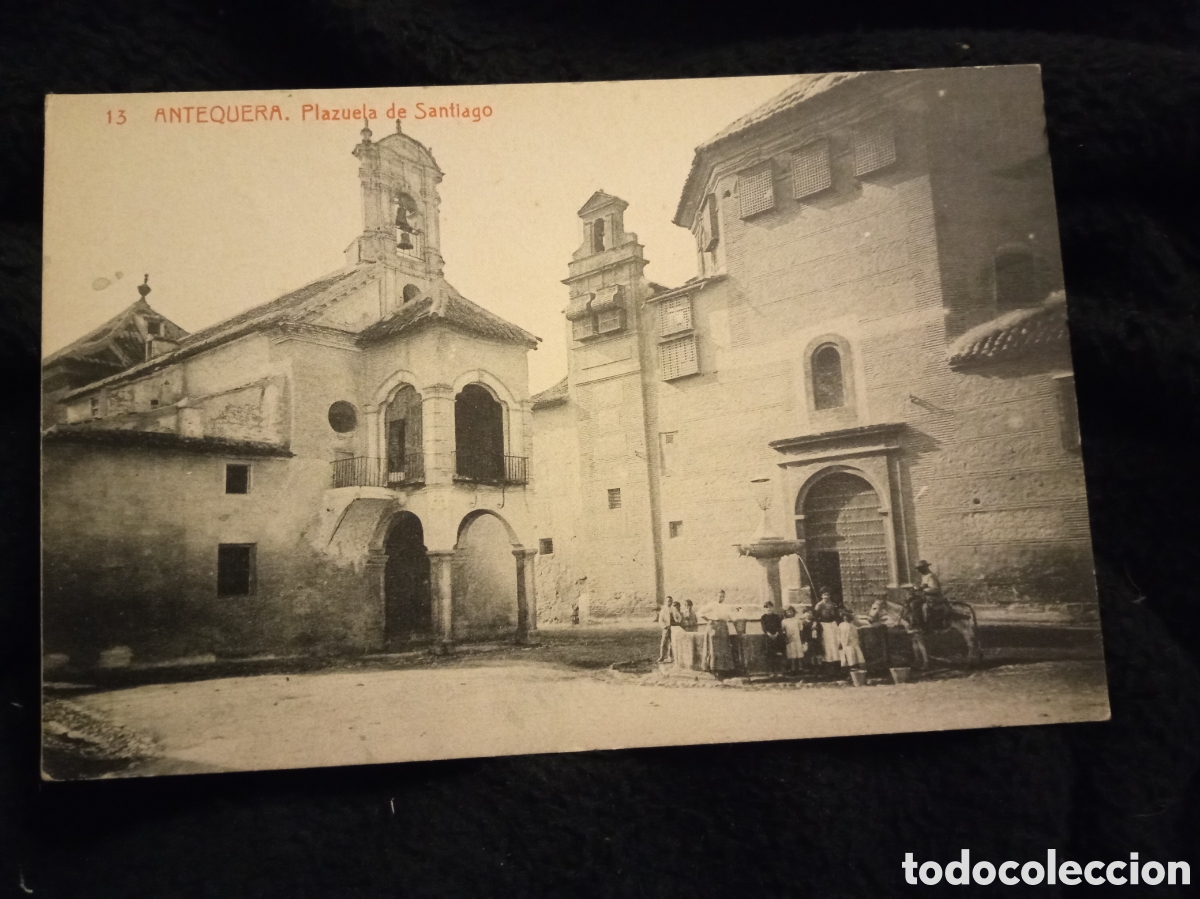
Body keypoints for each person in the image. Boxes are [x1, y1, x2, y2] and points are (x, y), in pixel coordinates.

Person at [815, 590, 842, 671]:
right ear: (821, 596)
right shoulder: (819, 605)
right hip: (824, 624)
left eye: (828, 594)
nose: (826, 596)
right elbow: (816, 616)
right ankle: (828, 663)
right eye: (824, 595)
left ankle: (837, 662)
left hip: (832, 624)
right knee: (827, 643)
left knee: (835, 642)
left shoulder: (833, 604)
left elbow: (836, 615)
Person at [759, 601, 786, 674]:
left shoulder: (776, 617)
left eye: (770, 607)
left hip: (777, 638)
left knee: (777, 654)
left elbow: (779, 627)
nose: (768, 609)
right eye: (766, 607)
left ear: (773, 608)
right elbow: (764, 628)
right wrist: (769, 634)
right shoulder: (763, 617)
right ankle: (771, 671)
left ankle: (779, 671)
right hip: (768, 638)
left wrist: (776, 634)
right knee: (770, 655)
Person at [782, 605, 805, 673]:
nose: (789, 613)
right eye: (788, 612)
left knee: (799, 653)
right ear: (786, 613)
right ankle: (793, 669)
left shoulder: (797, 620)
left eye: (791, 612)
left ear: (794, 612)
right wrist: (785, 637)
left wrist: (801, 637)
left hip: (797, 638)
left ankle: (800, 668)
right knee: (791, 654)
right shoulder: (784, 621)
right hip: (789, 639)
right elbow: (783, 630)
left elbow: (801, 629)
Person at [657, 597, 680, 663]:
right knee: (664, 642)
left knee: (672, 643)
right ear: (665, 601)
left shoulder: (674, 609)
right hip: (666, 628)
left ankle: (670, 657)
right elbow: (660, 619)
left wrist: (677, 622)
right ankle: (662, 657)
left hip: (673, 628)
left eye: (671, 601)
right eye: (668, 601)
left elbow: (679, 616)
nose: (670, 603)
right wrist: (664, 626)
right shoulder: (663, 610)